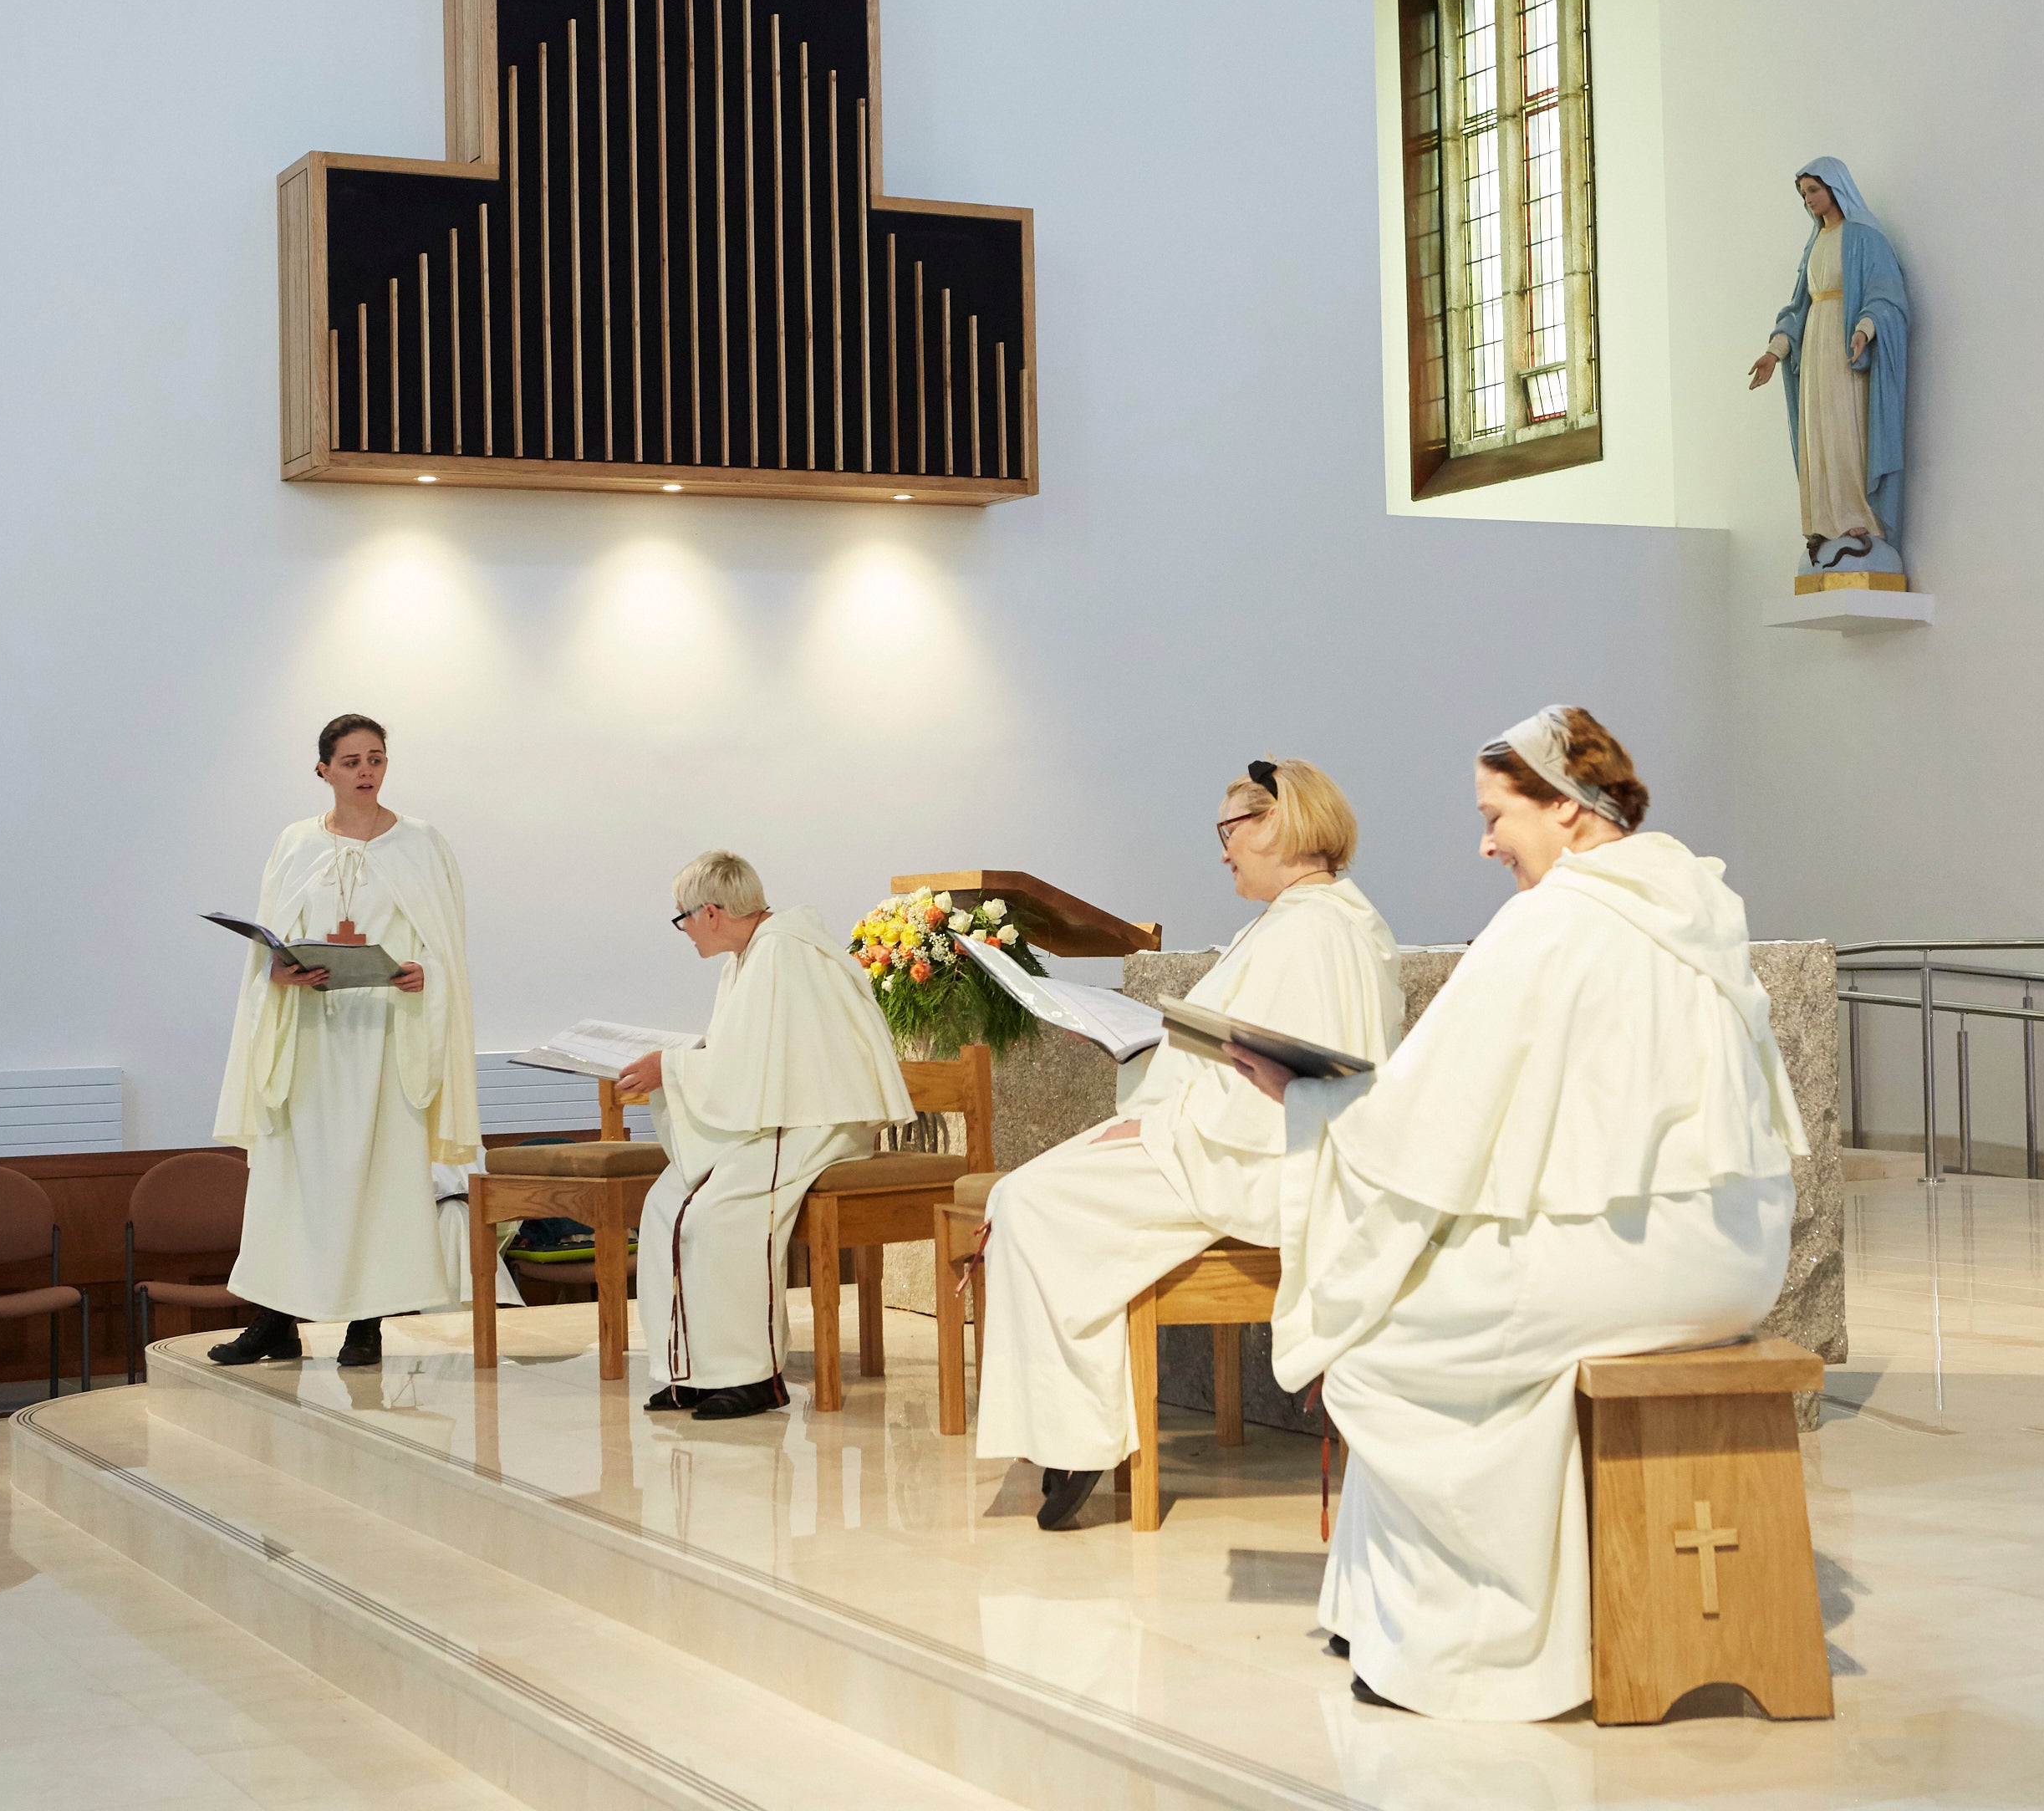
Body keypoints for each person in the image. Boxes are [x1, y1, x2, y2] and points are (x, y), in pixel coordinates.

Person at [1231, 707, 1806, 1720]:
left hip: (1645, 1250)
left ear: (1571, 812)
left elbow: (1427, 1109)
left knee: (1380, 1343)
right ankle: (1375, 1609)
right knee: (1438, 1311)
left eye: (1499, 815)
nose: (1486, 841)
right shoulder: (1693, 901)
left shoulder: (1558, 918)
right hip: (1737, 1251)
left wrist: (1304, 1097)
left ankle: (1467, 1645)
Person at [975, 759, 1402, 1531]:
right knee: (1022, 1192)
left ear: (1276, 824)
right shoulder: (1293, 921)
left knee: (1033, 1201)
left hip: (1253, 1160)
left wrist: (1166, 1120)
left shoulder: (1317, 931)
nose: (1222, 851)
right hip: (1213, 1136)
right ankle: (1070, 1428)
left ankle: (1079, 1438)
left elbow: (1286, 1077)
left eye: (1228, 832)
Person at [209, 714, 479, 1370]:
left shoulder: (423, 844)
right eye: (352, 761)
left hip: (387, 1041)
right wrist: (278, 972)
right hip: (309, 1039)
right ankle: (274, 1321)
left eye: (376, 759)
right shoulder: (295, 844)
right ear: (323, 770)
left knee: (382, 1180)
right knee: (287, 1180)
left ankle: (368, 1327)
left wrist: (427, 974)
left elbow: (448, 949)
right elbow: (269, 942)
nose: (366, 771)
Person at [619, 851, 912, 1421]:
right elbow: (746, 1057)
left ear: (710, 912)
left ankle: (753, 1378)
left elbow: (753, 1063)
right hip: (781, 1114)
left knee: (717, 1213)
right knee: (663, 1205)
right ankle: (692, 1374)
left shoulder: (782, 950)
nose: (683, 932)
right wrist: (677, 1065)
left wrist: (672, 1068)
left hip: (814, 1121)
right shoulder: (749, 955)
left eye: (682, 918)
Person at [1746, 156, 1910, 584]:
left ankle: (1858, 514)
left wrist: (1866, 328)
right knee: (1818, 430)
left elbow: (1886, 295)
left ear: (1835, 188)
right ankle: (1826, 519)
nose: (1810, 200)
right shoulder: (1815, 243)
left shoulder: (1865, 237)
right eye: (1804, 195)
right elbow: (1799, 307)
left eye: (1814, 191)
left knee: (1845, 428)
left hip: (1844, 347)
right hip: (1816, 347)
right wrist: (1775, 351)